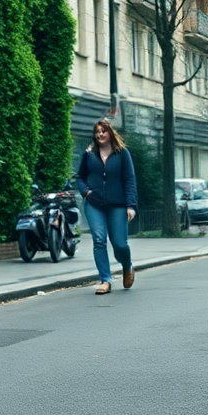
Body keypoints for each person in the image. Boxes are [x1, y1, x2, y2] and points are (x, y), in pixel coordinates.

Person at [74, 118, 138, 295]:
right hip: (94, 204)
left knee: (120, 244)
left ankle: (127, 265)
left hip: (118, 205)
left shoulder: (122, 153)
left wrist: (131, 205)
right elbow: (79, 177)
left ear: (110, 132)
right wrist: (86, 192)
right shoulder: (89, 154)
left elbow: (129, 180)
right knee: (99, 240)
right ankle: (105, 279)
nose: (100, 134)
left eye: (103, 131)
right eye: (97, 131)